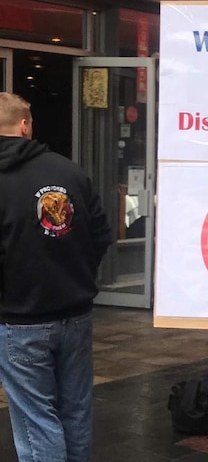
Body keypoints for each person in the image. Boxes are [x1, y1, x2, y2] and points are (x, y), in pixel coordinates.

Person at [0, 93, 113, 462]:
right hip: (75, 313)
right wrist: (77, 274)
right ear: (25, 125)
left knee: (36, 421)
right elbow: (100, 234)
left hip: (19, 319)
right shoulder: (69, 171)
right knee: (75, 410)